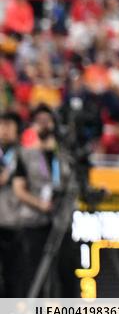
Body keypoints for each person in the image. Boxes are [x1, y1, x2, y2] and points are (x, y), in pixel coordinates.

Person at [12, 105, 79, 298]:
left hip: (62, 220)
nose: (43, 125)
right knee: (33, 271)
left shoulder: (65, 155)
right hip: (35, 220)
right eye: (38, 121)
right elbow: (19, 188)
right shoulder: (25, 154)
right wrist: (39, 204)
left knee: (66, 269)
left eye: (47, 120)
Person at [0, 111, 25, 297]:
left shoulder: (24, 155)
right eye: (2, 125)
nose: (5, 130)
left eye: (10, 125)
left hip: (16, 221)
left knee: (14, 273)